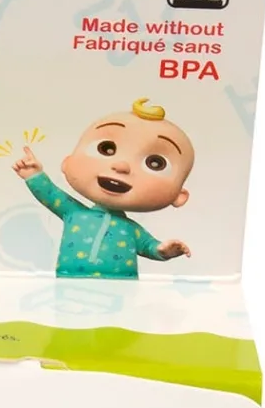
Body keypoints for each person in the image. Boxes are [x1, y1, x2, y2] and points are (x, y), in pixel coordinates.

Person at [13, 98, 194, 278]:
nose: (122, 166)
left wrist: (165, 250)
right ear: (67, 162)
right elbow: (51, 194)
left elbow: (149, 246)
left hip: (121, 286)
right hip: (69, 281)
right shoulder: (73, 212)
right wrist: (34, 175)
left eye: (155, 163)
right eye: (106, 148)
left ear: (179, 195)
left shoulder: (131, 228)